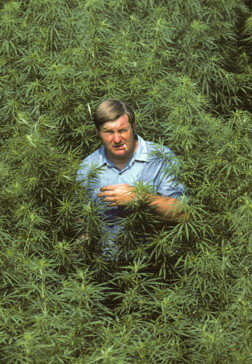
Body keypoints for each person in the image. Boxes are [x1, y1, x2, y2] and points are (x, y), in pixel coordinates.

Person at [76, 99, 187, 255]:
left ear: (133, 127)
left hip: (155, 266)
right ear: (97, 132)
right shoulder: (87, 167)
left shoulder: (161, 158)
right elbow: (82, 222)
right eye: (108, 131)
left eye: (122, 130)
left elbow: (183, 214)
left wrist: (140, 197)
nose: (116, 139)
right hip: (105, 270)